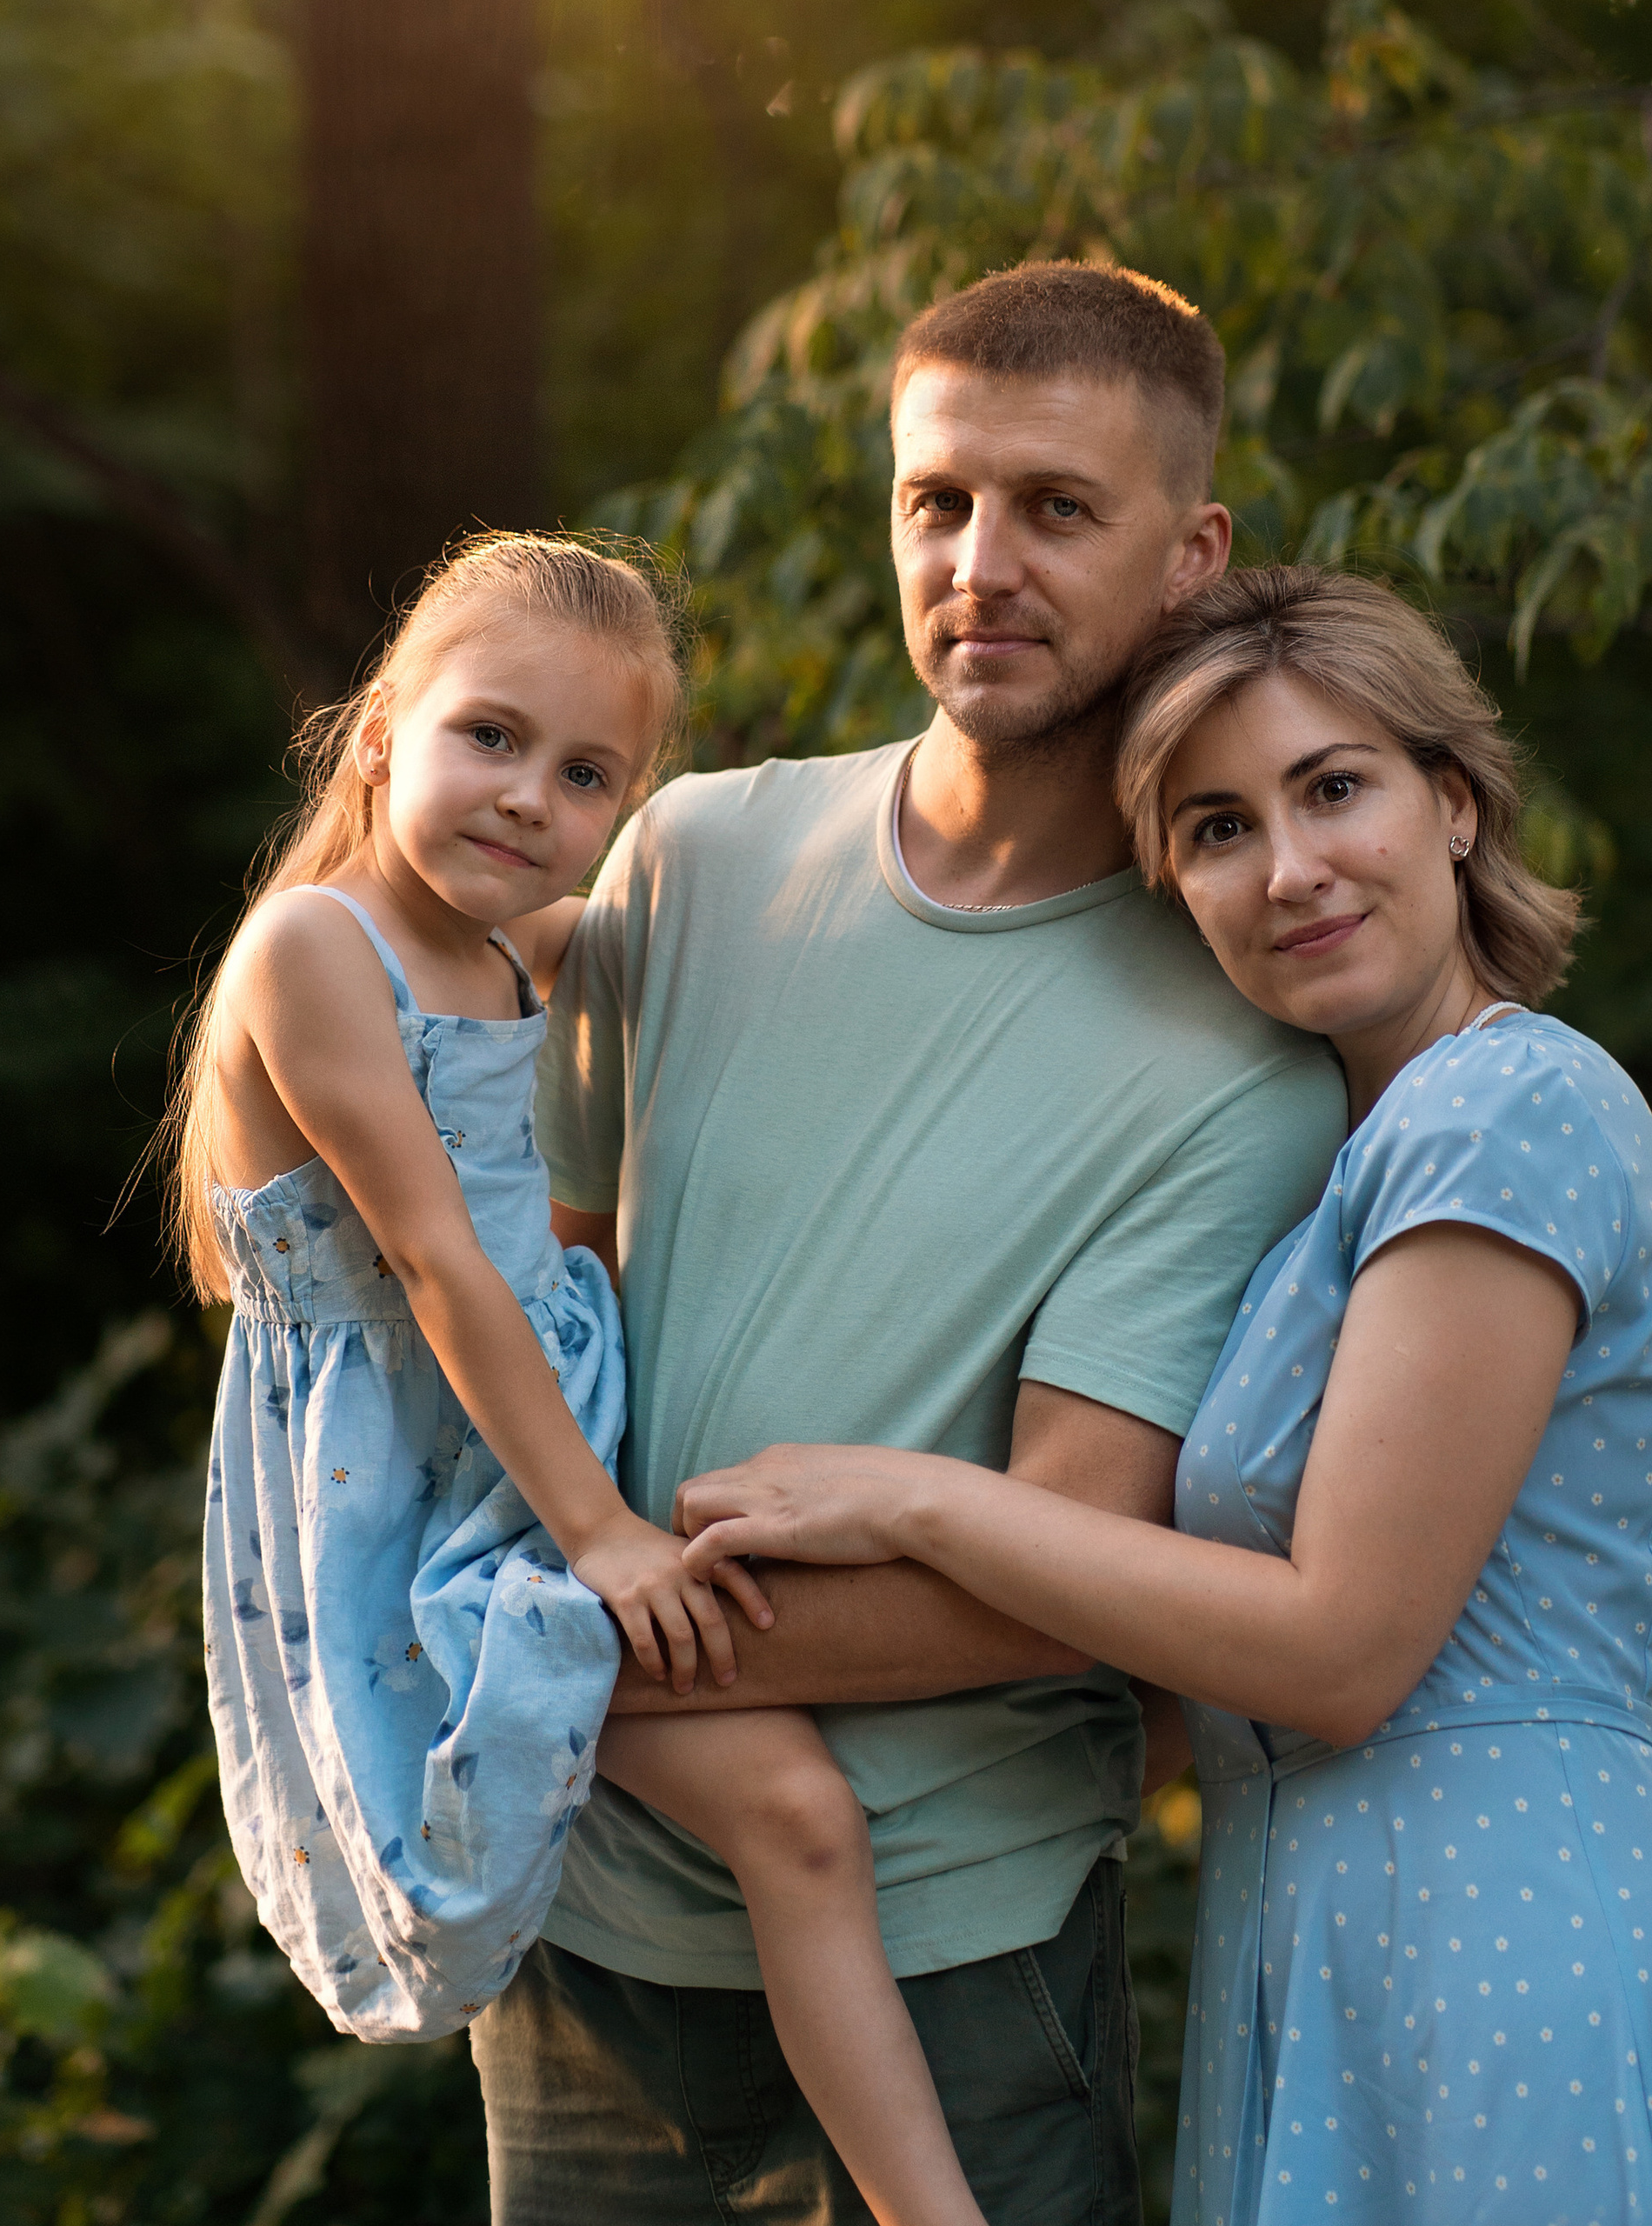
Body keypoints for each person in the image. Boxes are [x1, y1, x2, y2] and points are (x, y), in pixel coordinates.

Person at [678, 566, 1652, 2222]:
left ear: (1453, 800)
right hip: (1312, 1959)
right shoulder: (1334, 1170)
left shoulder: (1509, 1112)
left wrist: (913, 1494)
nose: (1290, 869)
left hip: (1514, 1958)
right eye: (1217, 829)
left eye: (1333, 788)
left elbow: (1340, 1651)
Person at [495, 270, 1349, 2221]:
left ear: (1189, 551)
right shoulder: (685, 855)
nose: (981, 562)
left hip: (950, 1964)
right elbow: (550, 1320)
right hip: (592, 1939)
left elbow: (1062, 1577)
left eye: (1057, 507)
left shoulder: (1235, 1052)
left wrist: (547, 1657)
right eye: (935, 502)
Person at [173, 531, 998, 2226]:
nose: (527, 796)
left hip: (529, 1431)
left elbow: (723, 946)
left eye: (586, 773)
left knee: (797, 1807)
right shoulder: (316, 948)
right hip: (414, 1498)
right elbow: (437, 1263)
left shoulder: (520, 944)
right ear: (381, 725)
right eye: (489, 735)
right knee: (790, 1803)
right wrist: (603, 1535)